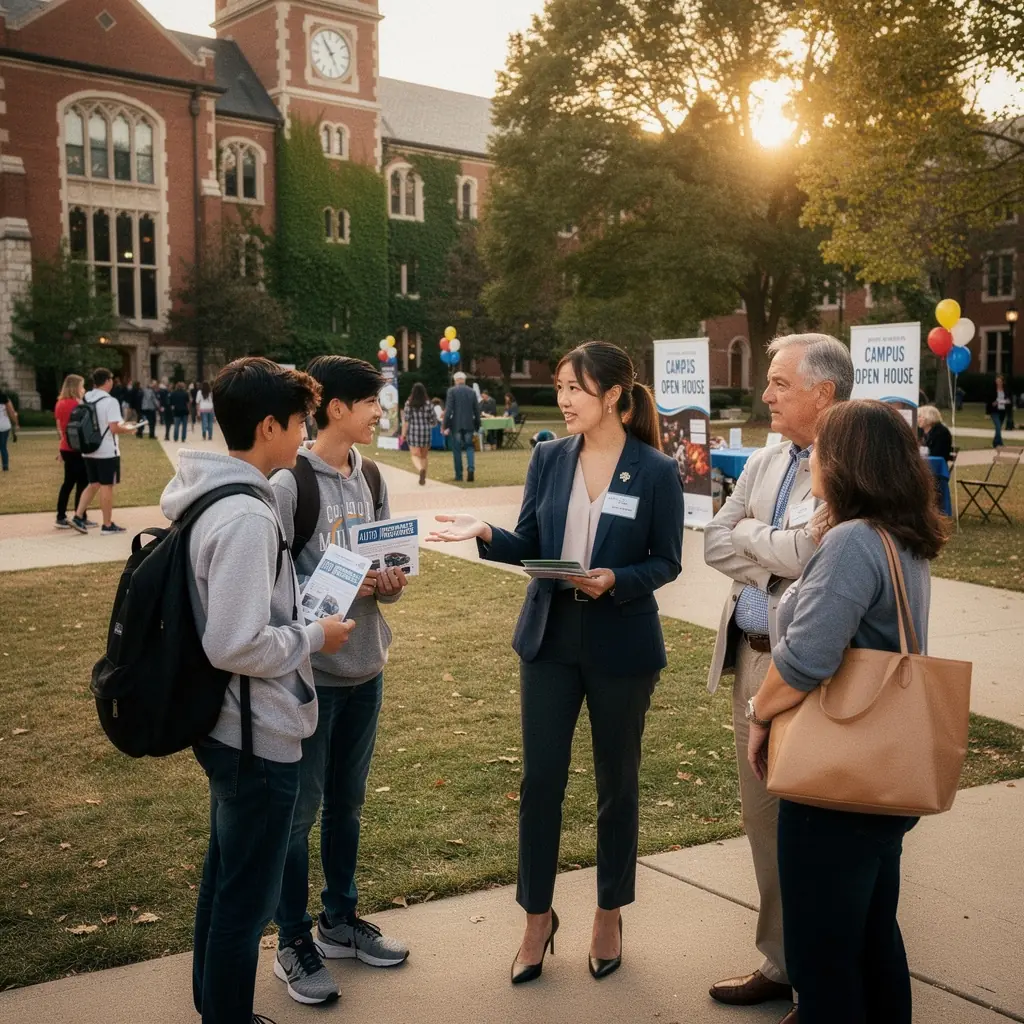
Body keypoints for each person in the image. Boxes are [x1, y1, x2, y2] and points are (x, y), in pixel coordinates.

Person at [427, 340, 684, 985]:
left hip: (621, 643)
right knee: (541, 782)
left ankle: (608, 913)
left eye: (574, 388)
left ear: (613, 396)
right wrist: (483, 534)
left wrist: (615, 579)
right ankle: (537, 918)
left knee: (616, 786)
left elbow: (666, 561)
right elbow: (530, 543)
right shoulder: (548, 457)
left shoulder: (655, 470)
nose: (563, 399)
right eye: (561, 386)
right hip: (548, 640)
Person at [160, 356, 353, 1024]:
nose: (303, 436)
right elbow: (235, 642)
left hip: (229, 726)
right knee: (244, 904)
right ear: (268, 425)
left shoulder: (217, 496)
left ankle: (215, 1009)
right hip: (255, 735)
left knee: (224, 885)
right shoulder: (244, 516)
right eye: (299, 423)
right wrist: (312, 637)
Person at [746, 399, 948, 1024]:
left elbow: (806, 660)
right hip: (886, 773)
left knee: (823, 956)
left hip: (837, 783)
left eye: (823, 453)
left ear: (846, 463)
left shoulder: (854, 543)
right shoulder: (902, 536)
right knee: (871, 935)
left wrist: (759, 715)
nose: (814, 465)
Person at [703, 333, 853, 1024]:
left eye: (779, 383)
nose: (765, 395)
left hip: (813, 672)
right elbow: (712, 539)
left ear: (822, 392)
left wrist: (757, 542)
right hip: (751, 659)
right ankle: (782, 962)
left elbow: (815, 550)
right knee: (763, 820)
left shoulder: (855, 461)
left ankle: (823, 983)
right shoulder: (765, 460)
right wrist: (774, 549)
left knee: (815, 829)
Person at [270, 355, 409, 1006]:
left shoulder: (373, 474)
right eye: (372, 404)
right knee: (298, 815)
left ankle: (339, 921)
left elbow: (388, 573)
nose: (380, 414)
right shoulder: (289, 484)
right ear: (336, 410)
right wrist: (323, 598)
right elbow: (267, 589)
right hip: (310, 675)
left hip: (365, 668)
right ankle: (291, 939)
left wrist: (388, 582)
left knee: (347, 806)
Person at [71, 367, 138, 535]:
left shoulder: (86, 397)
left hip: (89, 449)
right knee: (107, 486)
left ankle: (78, 516)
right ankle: (107, 525)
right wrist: (130, 429)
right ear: (107, 381)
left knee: (93, 484)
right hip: (107, 450)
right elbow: (114, 427)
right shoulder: (110, 401)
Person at [54, 374, 92, 529]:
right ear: (76, 387)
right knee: (82, 483)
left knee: (68, 483)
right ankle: (79, 515)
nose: (83, 389)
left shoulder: (60, 403)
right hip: (78, 448)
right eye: (82, 386)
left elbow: (60, 427)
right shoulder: (77, 404)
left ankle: (62, 515)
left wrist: (60, 448)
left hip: (66, 447)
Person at [444, 370, 480, 483]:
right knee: (469, 447)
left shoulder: (452, 391)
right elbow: (476, 410)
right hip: (469, 423)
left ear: (455, 381)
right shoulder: (472, 392)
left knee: (457, 449)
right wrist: (477, 424)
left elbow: (449, 410)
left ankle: (459, 475)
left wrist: (445, 424)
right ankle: (470, 468)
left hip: (456, 424)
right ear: (464, 380)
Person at [401, 381, 434, 485]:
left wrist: (403, 434)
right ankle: (424, 473)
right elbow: (433, 420)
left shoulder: (408, 403)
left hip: (413, 432)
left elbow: (406, 421)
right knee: (424, 456)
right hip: (426, 432)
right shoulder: (429, 404)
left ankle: (420, 470)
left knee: (415, 455)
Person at [988, 375, 1011, 447]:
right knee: (998, 426)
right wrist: (987, 412)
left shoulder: (1006, 390)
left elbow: (1009, 400)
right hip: (994, 411)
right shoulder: (992, 390)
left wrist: (1007, 401)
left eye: (1000, 381)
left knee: (998, 428)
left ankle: (995, 443)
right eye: (997, 381)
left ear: (1002, 382)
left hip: (1002, 411)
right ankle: (1000, 443)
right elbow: (989, 401)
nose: (998, 383)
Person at [0, 386, 18, 472]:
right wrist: (16, 423)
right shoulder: (4, 397)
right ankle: (5, 466)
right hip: (4, 426)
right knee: (3, 447)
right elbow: (11, 412)